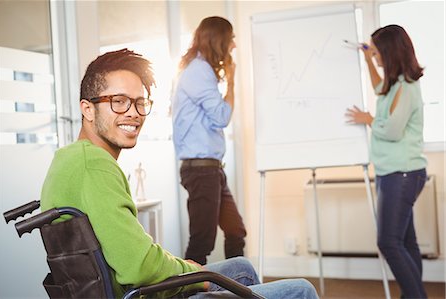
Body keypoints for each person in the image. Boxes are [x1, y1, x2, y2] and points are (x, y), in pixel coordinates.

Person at [41, 48, 319, 299]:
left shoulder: (70, 159)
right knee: (301, 290)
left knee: (241, 267)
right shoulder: (95, 166)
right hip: (137, 293)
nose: (134, 113)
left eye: (140, 103)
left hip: (130, 289)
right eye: (119, 101)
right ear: (87, 109)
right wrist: (193, 276)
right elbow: (138, 266)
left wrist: (186, 270)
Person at [345, 25, 428, 298]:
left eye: (378, 51)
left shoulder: (407, 87)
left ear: (391, 52)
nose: (376, 55)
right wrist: (367, 60)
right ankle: (412, 294)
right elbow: (379, 87)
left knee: (389, 242)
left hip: (401, 173)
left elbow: (392, 130)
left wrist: (368, 119)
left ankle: (416, 296)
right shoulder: (396, 85)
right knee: (406, 241)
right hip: (396, 172)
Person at [171, 16, 246, 267]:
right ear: (219, 40)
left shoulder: (200, 70)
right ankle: (185, 293)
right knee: (201, 243)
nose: (234, 45)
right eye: (231, 39)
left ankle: (237, 286)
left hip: (211, 169)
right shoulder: (199, 71)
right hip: (201, 171)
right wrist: (232, 80)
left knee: (236, 230)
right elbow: (223, 116)